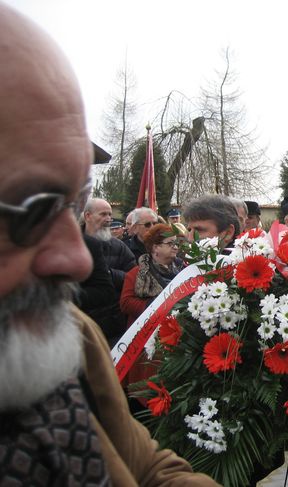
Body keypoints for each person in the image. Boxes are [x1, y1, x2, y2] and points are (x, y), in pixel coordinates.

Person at [0, 3, 217, 484]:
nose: (78, 259)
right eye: (31, 210)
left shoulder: (66, 335)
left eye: (73, 206)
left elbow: (148, 465)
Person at [120, 224, 184, 326]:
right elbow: (126, 303)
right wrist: (155, 305)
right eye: (170, 243)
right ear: (155, 248)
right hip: (148, 328)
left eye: (176, 243)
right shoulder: (136, 273)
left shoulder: (183, 268)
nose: (176, 247)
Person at [82, 197, 136, 292]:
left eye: (109, 215)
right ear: (88, 216)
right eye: (103, 214)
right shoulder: (70, 246)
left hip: (113, 305)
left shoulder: (119, 247)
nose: (108, 219)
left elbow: (134, 278)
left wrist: (108, 273)